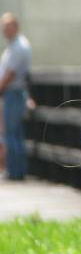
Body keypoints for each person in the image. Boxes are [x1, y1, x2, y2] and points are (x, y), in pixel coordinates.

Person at [1, 13, 32, 181]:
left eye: (8, 27)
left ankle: (15, 172)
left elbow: (10, 73)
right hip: (12, 93)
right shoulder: (13, 45)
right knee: (14, 134)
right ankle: (16, 170)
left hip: (13, 93)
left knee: (12, 135)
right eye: (3, 27)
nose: (5, 30)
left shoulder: (20, 46)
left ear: (16, 27)